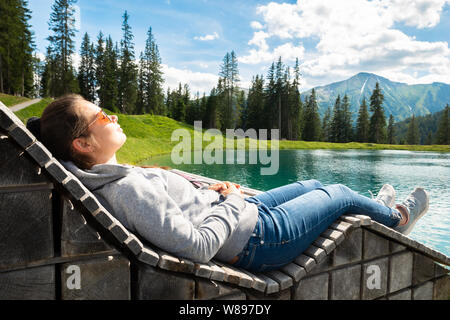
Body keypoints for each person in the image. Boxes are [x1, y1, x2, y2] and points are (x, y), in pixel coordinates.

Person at [31, 94, 429, 272]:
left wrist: (212, 193)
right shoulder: (125, 190)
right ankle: (396, 218)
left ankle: (375, 209)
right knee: (338, 194)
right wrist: (235, 201)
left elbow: (181, 211)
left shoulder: (114, 176)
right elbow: (197, 247)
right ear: (82, 143)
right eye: (102, 117)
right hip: (258, 241)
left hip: (239, 217)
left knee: (310, 182)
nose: (113, 117)